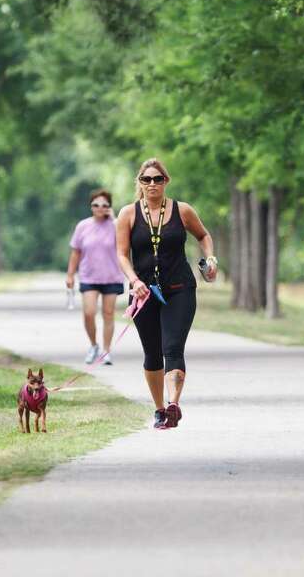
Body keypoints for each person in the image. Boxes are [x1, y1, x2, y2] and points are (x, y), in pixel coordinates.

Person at [116, 158, 217, 430]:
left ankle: (174, 405)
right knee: (152, 353)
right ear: (139, 182)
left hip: (179, 290)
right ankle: (160, 408)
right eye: (146, 179)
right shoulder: (128, 214)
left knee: (172, 348)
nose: (152, 184)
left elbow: (203, 235)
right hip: (143, 293)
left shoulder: (182, 211)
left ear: (166, 182)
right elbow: (122, 255)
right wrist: (134, 280)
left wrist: (211, 260)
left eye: (157, 179)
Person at [67, 189, 123, 365]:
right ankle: (93, 345)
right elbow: (76, 252)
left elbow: (125, 244)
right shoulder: (83, 226)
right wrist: (70, 274)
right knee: (89, 313)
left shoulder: (116, 226)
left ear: (109, 207)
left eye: (104, 205)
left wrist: (114, 219)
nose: (100, 208)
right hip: (88, 277)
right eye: (96, 205)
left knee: (108, 314)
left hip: (112, 277)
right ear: (91, 206)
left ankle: (106, 351)